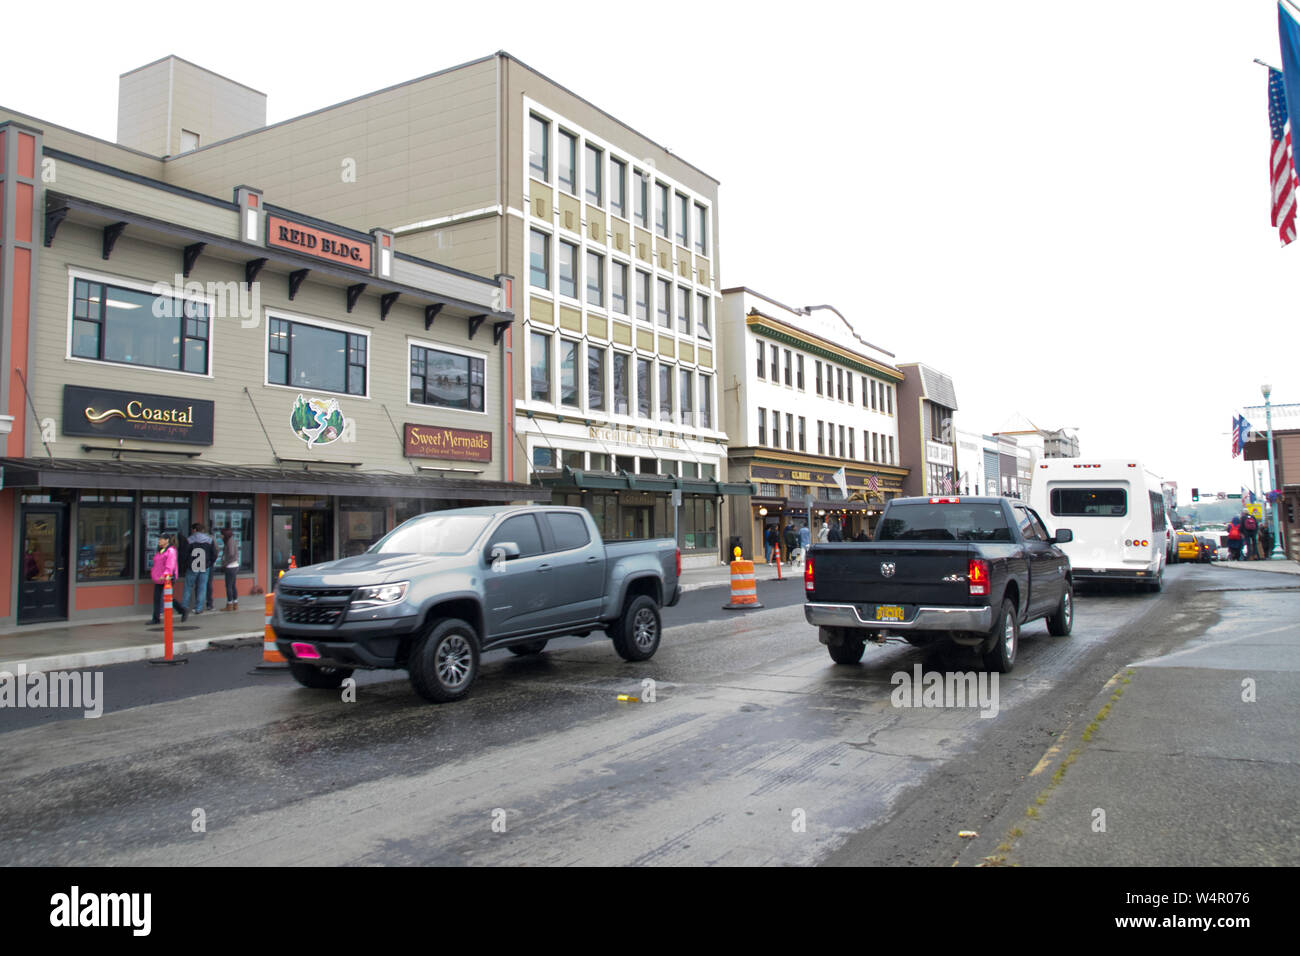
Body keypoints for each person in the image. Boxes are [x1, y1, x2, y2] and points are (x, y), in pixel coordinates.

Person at [149, 534, 188, 624]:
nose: (159, 541)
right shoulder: (160, 551)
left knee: (167, 597)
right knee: (157, 598)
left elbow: (170, 565)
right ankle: (156, 618)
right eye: (159, 539)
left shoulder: (171, 551)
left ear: (167, 540)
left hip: (167, 578)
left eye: (161, 539)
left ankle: (182, 610)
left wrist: (166, 574)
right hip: (159, 578)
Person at [184, 522, 215, 614]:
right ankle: (199, 608)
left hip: (192, 566)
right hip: (205, 566)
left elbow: (185, 554)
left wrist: (186, 563)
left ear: (194, 530)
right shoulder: (209, 540)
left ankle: (184, 607)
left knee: (188, 587)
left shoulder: (189, 540)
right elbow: (214, 554)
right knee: (202, 587)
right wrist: (210, 563)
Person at [220, 527, 240, 611]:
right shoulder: (231, 540)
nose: (221, 536)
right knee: (232, 585)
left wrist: (225, 563)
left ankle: (229, 604)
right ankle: (235, 603)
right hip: (234, 566)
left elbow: (231, 554)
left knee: (228, 586)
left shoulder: (230, 541)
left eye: (222, 534)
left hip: (230, 566)